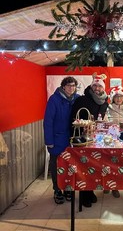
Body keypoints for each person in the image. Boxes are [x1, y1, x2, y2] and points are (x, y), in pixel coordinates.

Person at [71, 72, 108, 208]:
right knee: (83, 166)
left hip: (96, 138)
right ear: (92, 87)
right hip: (82, 138)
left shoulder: (105, 102)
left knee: (93, 166)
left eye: (100, 86)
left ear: (103, 88)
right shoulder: (82, 99)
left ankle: (90, 190)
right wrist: (82, 129)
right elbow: (74, 118)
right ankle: (84, 195)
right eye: (95, 86)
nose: (97, 88)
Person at [43, 76, 79, 204]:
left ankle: (68, 189)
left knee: (70, 165)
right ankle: (57, 189)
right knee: (56, 165)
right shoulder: (54, 99)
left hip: (71, 139)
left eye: (74, 85)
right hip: (57, 138)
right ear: (63, 86)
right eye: (69, 85)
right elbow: (48, 121)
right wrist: (49, 141)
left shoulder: (77, 98)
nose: (71, 88)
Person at [105, 85, 123, 198]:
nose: (119, 99)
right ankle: (107, 185)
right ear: (112, 98)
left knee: (119, 163)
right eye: (116, 97)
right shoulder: (108, 107)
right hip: (110, 138)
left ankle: (116, 186)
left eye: (120, 96)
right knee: (108, 162)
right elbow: (104, 122)